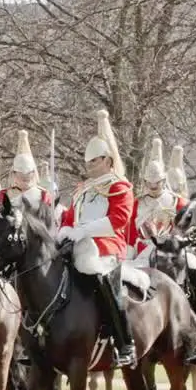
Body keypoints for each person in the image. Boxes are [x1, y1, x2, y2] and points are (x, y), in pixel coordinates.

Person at [57, 110, 136, 366]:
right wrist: (64, 233)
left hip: (106, 248)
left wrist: (85, 231)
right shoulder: (83, 189)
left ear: (108, 159)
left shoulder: (119, 186)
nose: (90, 166)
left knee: (103, 280)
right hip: (78, 243)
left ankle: (125, 342)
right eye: (88, 162)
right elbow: (70, 217)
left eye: (95, 161)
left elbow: (119, 220)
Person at [128, 138, 185, 268]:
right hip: (141, 250)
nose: (152, 186)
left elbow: (183, 227)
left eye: (156, 183)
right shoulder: (137, 202)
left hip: (169, 251)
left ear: (163, 181)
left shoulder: (176, 201)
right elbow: (130, 231)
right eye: (149, 183)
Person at [1, 130, 55, 211]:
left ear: (33, 173)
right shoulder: (2, 194)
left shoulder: (43, 195)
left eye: (29, 174)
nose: (25, 178)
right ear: (14, 174)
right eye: (21, 175)